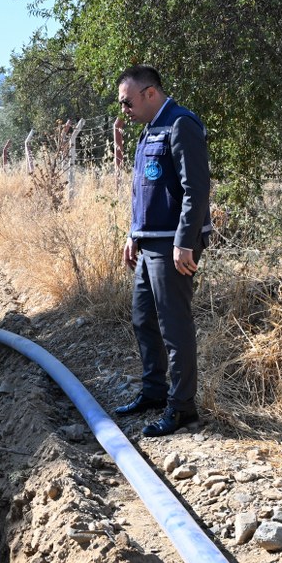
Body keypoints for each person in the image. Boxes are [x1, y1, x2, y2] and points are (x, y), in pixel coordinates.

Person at [110, 65, 211, 436]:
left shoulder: (180, 124)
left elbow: (196, 190)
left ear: (150, 93)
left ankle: (183, 408)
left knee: (174, 325)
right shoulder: (149, 130)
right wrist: (132, 234)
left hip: (173, 245)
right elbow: (144, 191)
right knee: (143, 319)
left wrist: (185, 241)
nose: (124, 109)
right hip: (148, 240)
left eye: (127, 101)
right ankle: (155, 392)